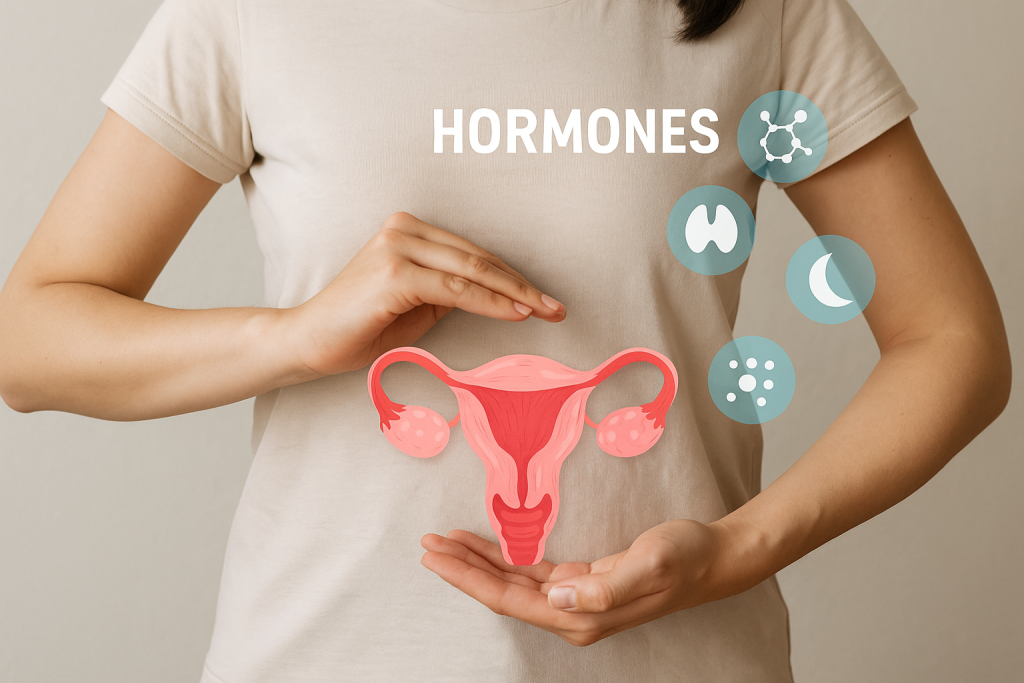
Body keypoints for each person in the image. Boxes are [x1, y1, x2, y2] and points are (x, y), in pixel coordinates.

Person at [0, 0, 1010, 680]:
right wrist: (298, 335)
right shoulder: (249, 11)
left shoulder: (768, 13)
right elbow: (30, 340)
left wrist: (735, 552)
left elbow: (951, 338)